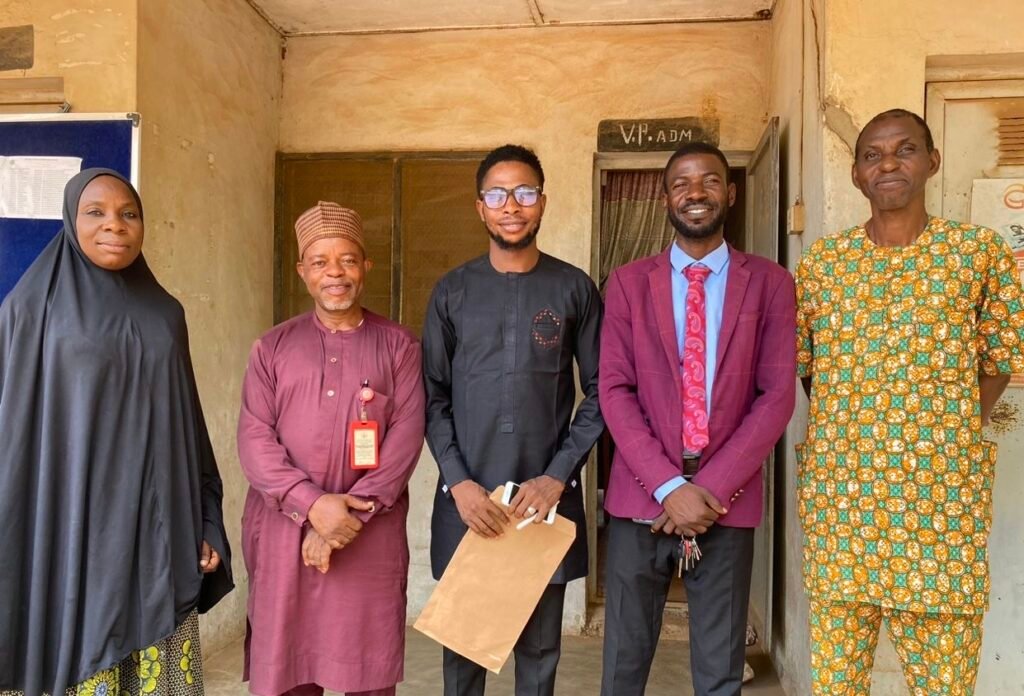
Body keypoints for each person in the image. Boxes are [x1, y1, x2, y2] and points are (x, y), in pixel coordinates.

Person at [795, 108, 1024, 695]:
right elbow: (809, 369)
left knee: (943, 684)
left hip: (939, 511)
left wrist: (944, 429)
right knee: (836, 685)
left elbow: (999, 358)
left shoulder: (976, 253)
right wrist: (859, 420)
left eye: (905, 149)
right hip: (842, 510)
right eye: (872, 155)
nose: (888, 164)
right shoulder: (824, 263)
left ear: (932, 161)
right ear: (856, 174)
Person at [0, 168, 233, 696]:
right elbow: (13, 437)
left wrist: (206, 518)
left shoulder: (165, 314)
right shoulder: (31, 311)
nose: (115, 225)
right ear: (70, 220)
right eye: (96, 213)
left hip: (158, 526)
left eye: (129, 214)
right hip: (69, 529)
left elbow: (190, 427)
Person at [599, 141, 796, 696]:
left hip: (724, 503)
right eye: (681, 184)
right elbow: (614, 390)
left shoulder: (771, 283)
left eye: (709, 180)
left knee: (718, 670)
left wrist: (707, 490)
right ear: (665, 198)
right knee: (623, 666)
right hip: (640, 499)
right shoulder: (628, 283)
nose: (695, 193)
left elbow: (777, 394)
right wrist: (668, 487)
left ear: (729, 194)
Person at [422, 144, 603, 696]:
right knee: (464, 658)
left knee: (540, 657)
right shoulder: (452, 292)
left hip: (541, 503)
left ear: (542, 202)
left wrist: (557, 477)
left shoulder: (573, 289)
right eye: (498, 195)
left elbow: (603, 392)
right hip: (469, 504)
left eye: (524, 192)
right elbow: (432, 397)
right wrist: (459, 483)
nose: (512, 206)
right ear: (480, 207)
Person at [238, 201, 425, 696]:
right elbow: (255, 441)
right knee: (289, 672)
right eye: (320, 262)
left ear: (366, 266)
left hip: (369, 533)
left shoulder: (400, 346)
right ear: (303, 271)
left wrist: (342, 520)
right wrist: (312, 506)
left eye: (347, 260)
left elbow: (405, 440)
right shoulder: (271, 348)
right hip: (284, 533)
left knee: (367, 672)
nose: (335, 273)